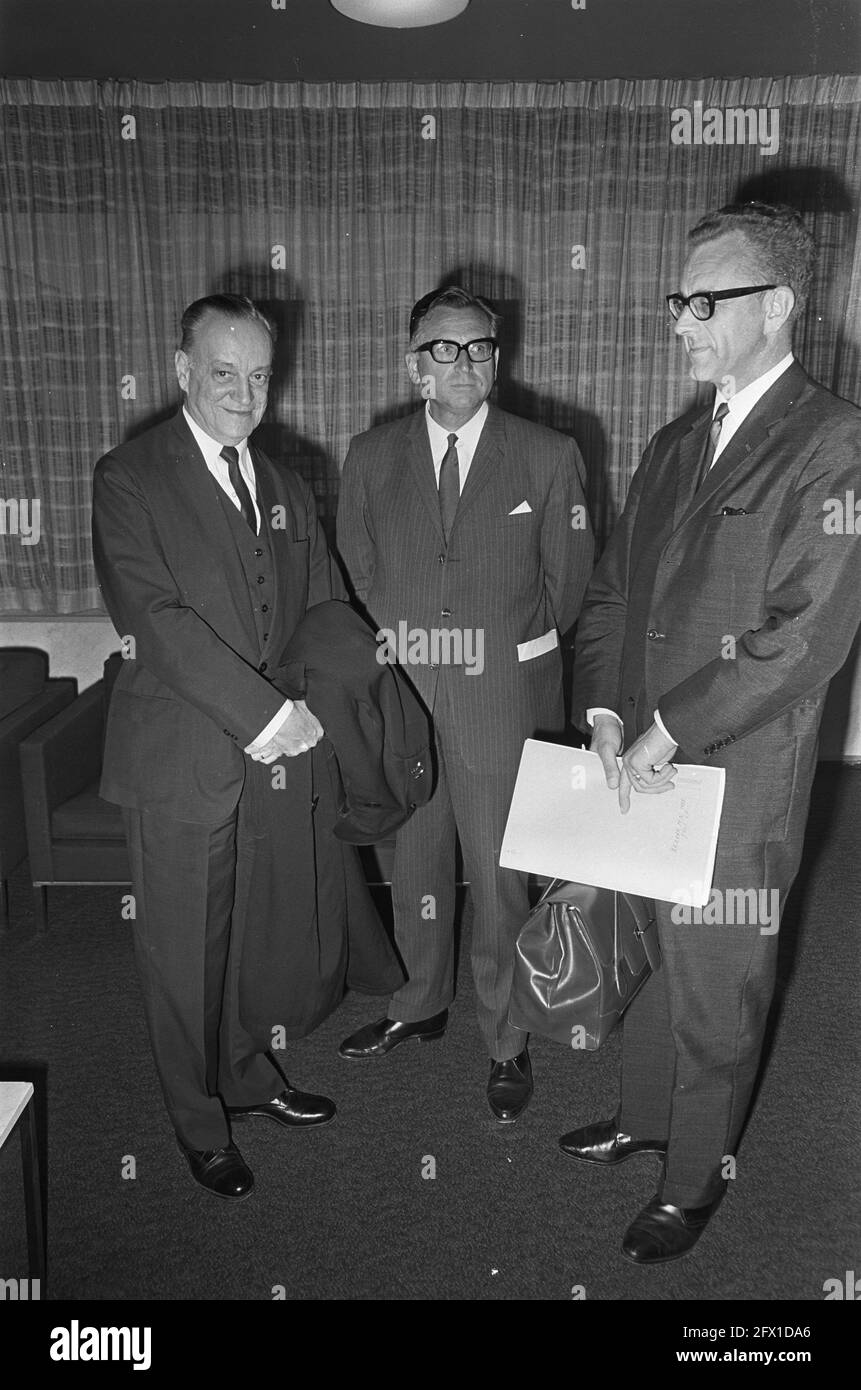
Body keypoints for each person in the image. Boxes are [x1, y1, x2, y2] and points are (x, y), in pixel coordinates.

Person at [561, 203, 861, 1262]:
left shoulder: (836, 442)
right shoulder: (678, 437)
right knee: (644, 952)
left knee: (716, 982)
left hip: (735, 773)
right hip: (635, 756)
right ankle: (647, 1117)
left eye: (704, 301)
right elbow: (611, 592)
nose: (680, 320)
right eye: (677, 299)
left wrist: (667, 728)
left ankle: (693, 1179)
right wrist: (603, 708)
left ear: (778, 306)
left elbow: (803, 638)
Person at [92, 293, 350, 1201]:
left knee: (241, 940)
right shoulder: (129, 476)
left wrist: (352, 700)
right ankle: (197, 1123)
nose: (243, 393)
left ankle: (243, 1076)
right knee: (179, 955)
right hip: (178, 763)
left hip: (270, 762)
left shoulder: (280, 482)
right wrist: (268, 716)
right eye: (222, 373)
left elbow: (320, 606)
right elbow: (154, 622)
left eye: (258, 375)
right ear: (181, 373)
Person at [336, 285, 594, 1121]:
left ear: (498, 357)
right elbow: (357, 575)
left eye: (479, 347)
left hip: (500, 705)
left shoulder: (548, 454)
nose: (463, 363)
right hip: (405, 694)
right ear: (415, 363)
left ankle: (506, 1038)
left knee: (499, 876)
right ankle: (419, 1001)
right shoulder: (371, 456)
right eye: (443, 348)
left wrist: (500, 661)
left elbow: (567, 590)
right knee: (410, 863)